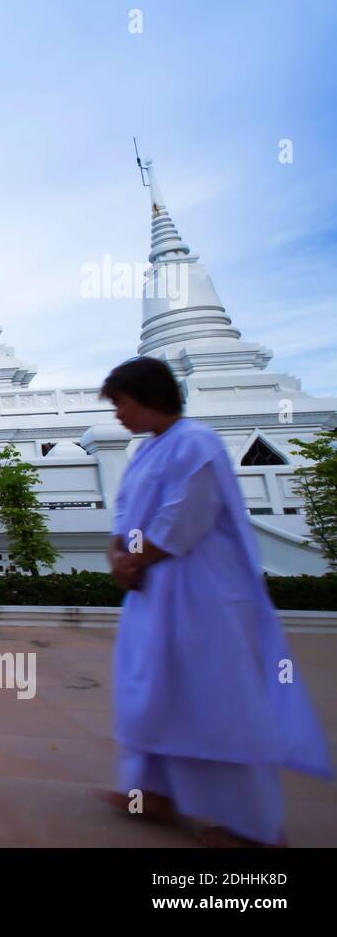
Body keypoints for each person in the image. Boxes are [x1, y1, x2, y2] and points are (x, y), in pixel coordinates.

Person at [101, 356, 331, 846]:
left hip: (204, 597)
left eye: (121, 402)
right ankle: (153, 793)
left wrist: (132, 560)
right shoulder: (144, 452)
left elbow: (181, 519)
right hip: (153, 592)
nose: (117, 413)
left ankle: (253, 827)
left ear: (149, 397)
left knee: (216, 701)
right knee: (155, 691)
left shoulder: (196, 444)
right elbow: (124, 512)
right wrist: (118, 554)